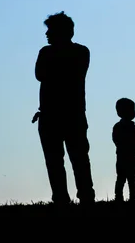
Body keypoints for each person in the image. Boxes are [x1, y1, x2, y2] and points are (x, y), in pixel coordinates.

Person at [32, 11, 95, 206]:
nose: (47, 34)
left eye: (50, 30)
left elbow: (42, 74)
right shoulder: (78, 52)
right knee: (69, 159)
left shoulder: (76, 52)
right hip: (65, 115)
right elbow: (41, 75)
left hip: (65, 115)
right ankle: (70, 197)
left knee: (71, 159)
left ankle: (75, 197)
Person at [112, 97, 135, 203]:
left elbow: (134, 139)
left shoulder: (121, 126)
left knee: (128, 178)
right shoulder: (123, 127)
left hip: (126, 155)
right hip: (127, 156)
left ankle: (128, 197)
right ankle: (123, 197)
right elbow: (133, 140)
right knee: (125, 178)